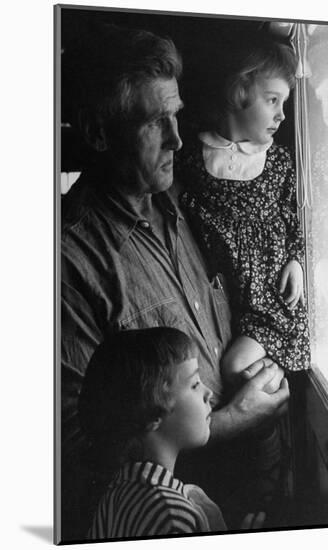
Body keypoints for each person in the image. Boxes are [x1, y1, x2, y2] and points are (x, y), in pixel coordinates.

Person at [61, 25, 289, 541]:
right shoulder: (68, 260)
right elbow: (79, 446)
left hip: (246, 497)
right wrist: (233, 418)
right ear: (99, 134)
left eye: (177, 115)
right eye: (153, 123)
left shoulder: (187, 200)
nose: (178, 138)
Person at [176, 32, 311, 388]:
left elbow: (296, 216)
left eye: (284, 102)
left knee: (237, 369)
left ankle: (273, 383)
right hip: (223, 304)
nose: (282, 115)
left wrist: (296, 259)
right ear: (239, 92)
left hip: (270, 302)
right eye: (272, 100)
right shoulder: (191, 157)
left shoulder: (277, 163)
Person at [79, 327, 266, 539]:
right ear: (152, 415)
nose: (208, 392)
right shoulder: (173, 518)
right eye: (195, 384)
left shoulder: (118, 493)